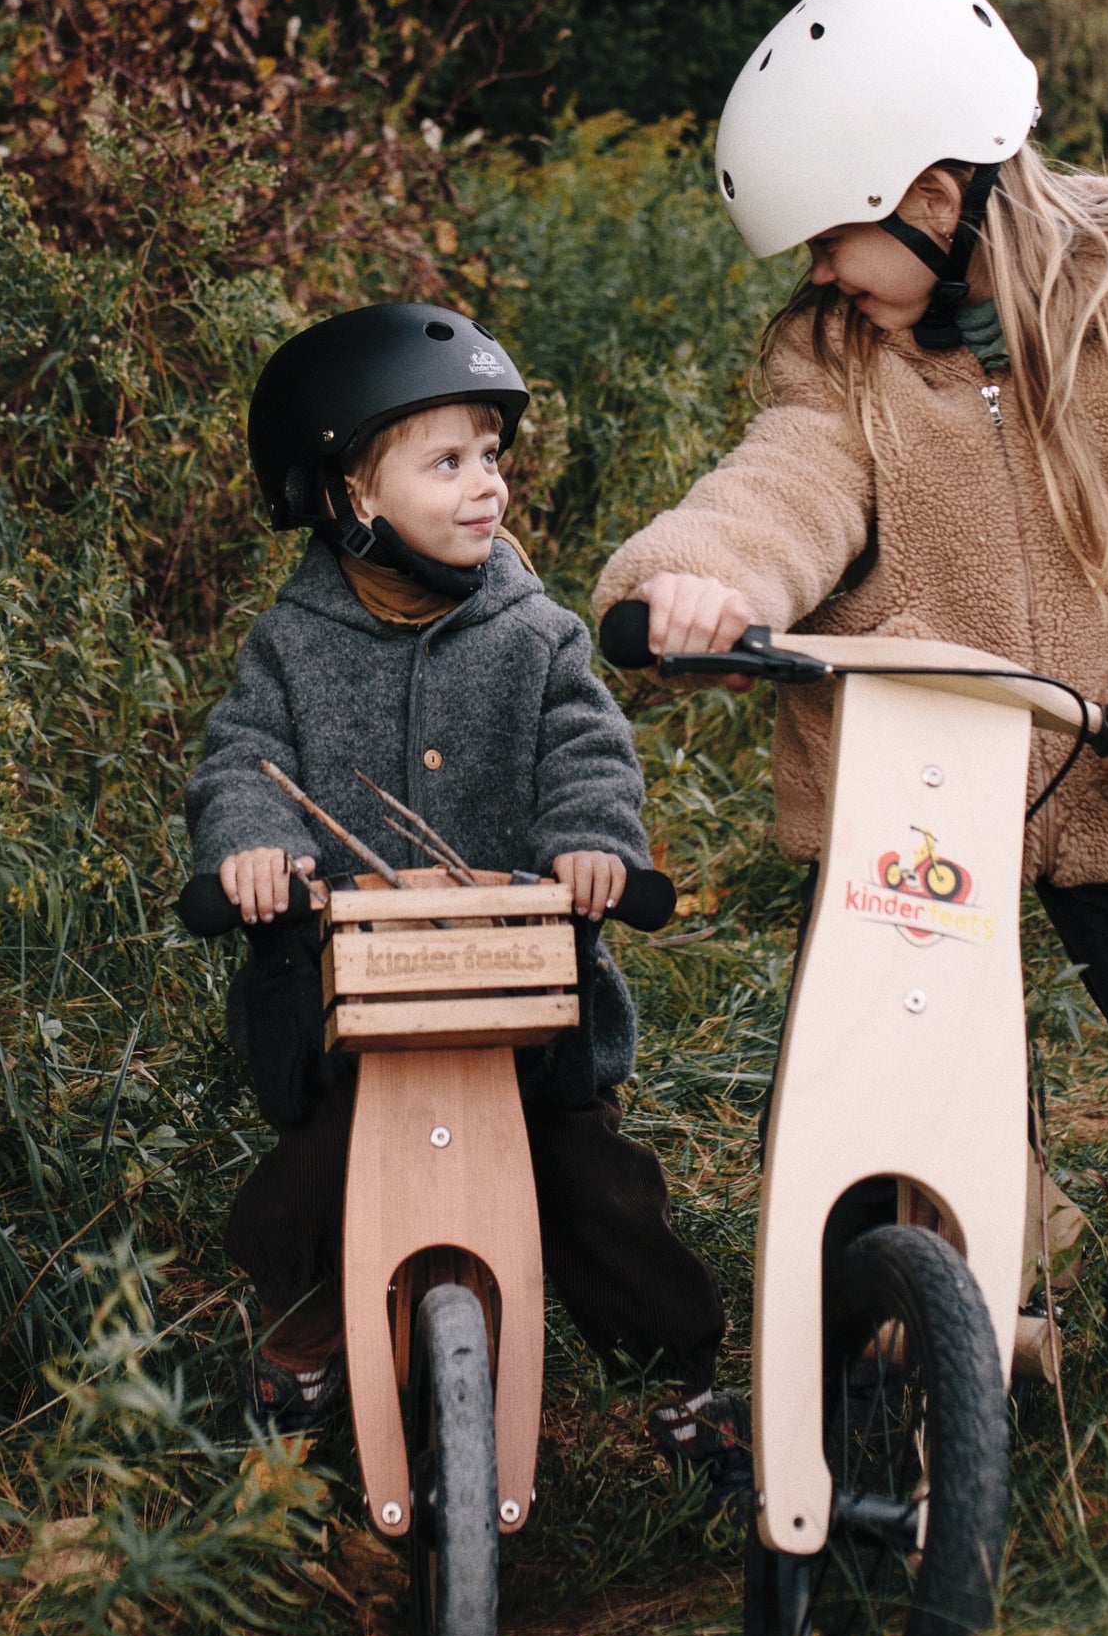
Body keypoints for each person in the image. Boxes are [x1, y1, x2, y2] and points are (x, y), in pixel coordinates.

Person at [592, 0, 1108, 1351]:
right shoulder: (840, 357)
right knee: (868, 1147)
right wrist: (700, 580)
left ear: (934, 200)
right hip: (915, 797)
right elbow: (788, 485)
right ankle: (862, 1387)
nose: (820, 275)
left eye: (832, 239)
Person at [186, 303, 739, 1487]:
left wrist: (591, 843)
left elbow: (587, 754)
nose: (485, 485)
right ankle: (310, 1330)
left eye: (491, 456)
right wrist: (252, 847)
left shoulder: (532, 634)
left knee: (599, 1198)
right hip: (360, 1009)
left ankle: (679, 1381)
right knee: (307, 1193)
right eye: (445, 462)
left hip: (523, 1004)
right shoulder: (293, 643)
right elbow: (243, 760)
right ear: (349, 496)